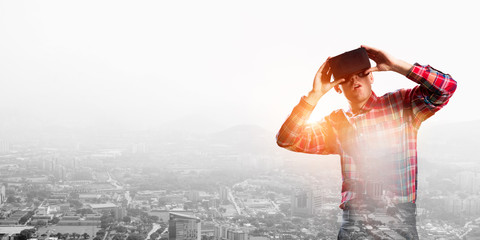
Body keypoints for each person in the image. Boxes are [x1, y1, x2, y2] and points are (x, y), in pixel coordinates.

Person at [276, 45, 457, 239]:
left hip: (398, 221)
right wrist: (314, 95)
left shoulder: (402, 105)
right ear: (338, 87)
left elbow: (446, 88)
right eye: (346, 78)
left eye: (361, 73)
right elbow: (287, 139)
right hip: (355, 225)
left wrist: (397, 65)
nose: (354, 79)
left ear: (371, 76)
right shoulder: (336, 124)